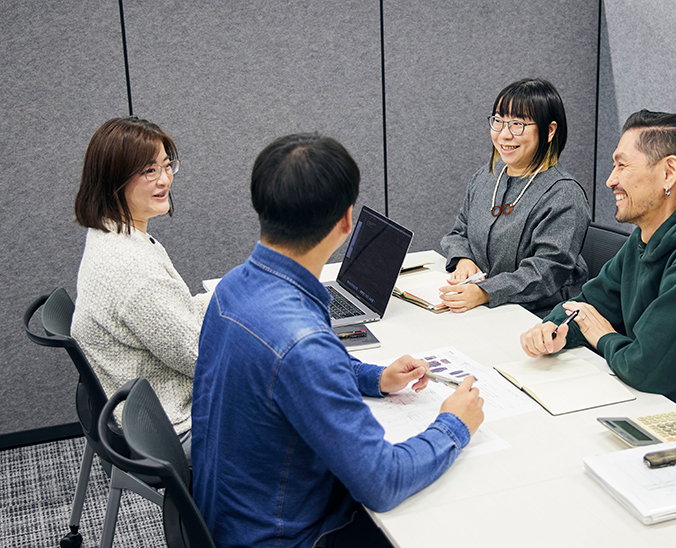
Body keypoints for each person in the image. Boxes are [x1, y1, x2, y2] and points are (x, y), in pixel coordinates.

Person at [191, 134, 485, 548]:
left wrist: (374, 376)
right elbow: (382, 481)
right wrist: (455, 423)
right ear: (347, 223)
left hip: (228, 516)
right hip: (282, 537)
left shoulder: (234, 286)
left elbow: (285, 368)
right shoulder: (304, 344)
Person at [520, 109, 676, 453]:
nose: (611, 179)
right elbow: (588, 304)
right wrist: (554, 329)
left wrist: (604, 337)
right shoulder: (647, 237)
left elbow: (646, 369)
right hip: (658, 402)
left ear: (669, 172)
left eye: (622, 166)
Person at [71, 117, 210, 459]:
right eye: (149, 171)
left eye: (166, 165)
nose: (165, 179)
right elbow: (202, 359)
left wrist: (236, 295)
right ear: (113, 180)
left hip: (148, 414)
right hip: (180, 427)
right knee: (309, 407)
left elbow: (176, 318)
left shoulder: (111, 234)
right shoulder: (133, 269)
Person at [440, 78, 590, 316]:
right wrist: (464, 260)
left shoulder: (564, 194)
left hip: (539, 316)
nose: (504, 135)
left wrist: (485, 292)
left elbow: (546, 270)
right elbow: (459, 232)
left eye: (518, 124)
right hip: (486, 309)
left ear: (549, 130)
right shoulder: (486, 176)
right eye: (498, 121)